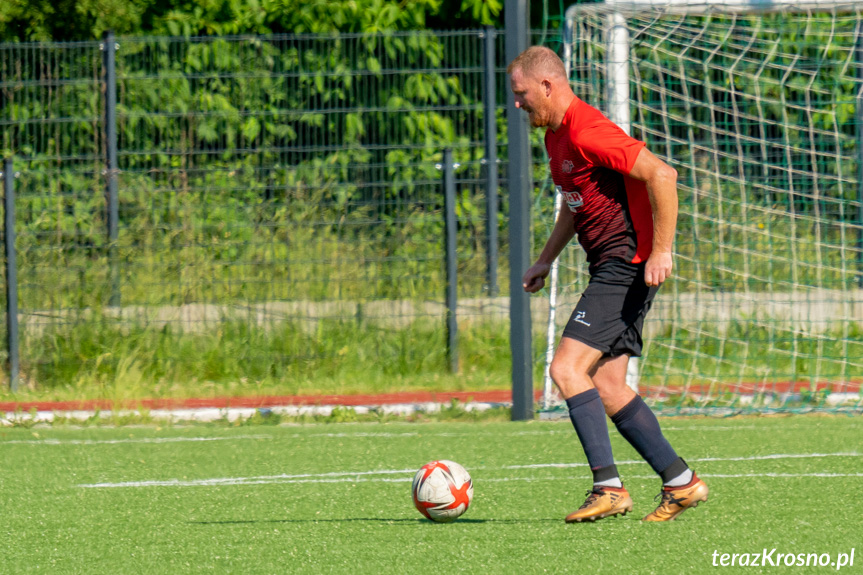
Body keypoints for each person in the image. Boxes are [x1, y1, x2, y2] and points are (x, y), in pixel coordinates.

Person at [507, 46, 708, 523]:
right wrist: (544, 261)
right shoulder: (556, 136)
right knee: (608, 384)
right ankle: (682, 483)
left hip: (626, 263)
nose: (517, 105)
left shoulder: (587, 128)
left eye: (521, 95)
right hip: (612, 266)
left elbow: (662, 174)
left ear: (548, 87)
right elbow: (574, 206)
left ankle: (608, 487)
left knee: (566, 369)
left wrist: (661, 250)